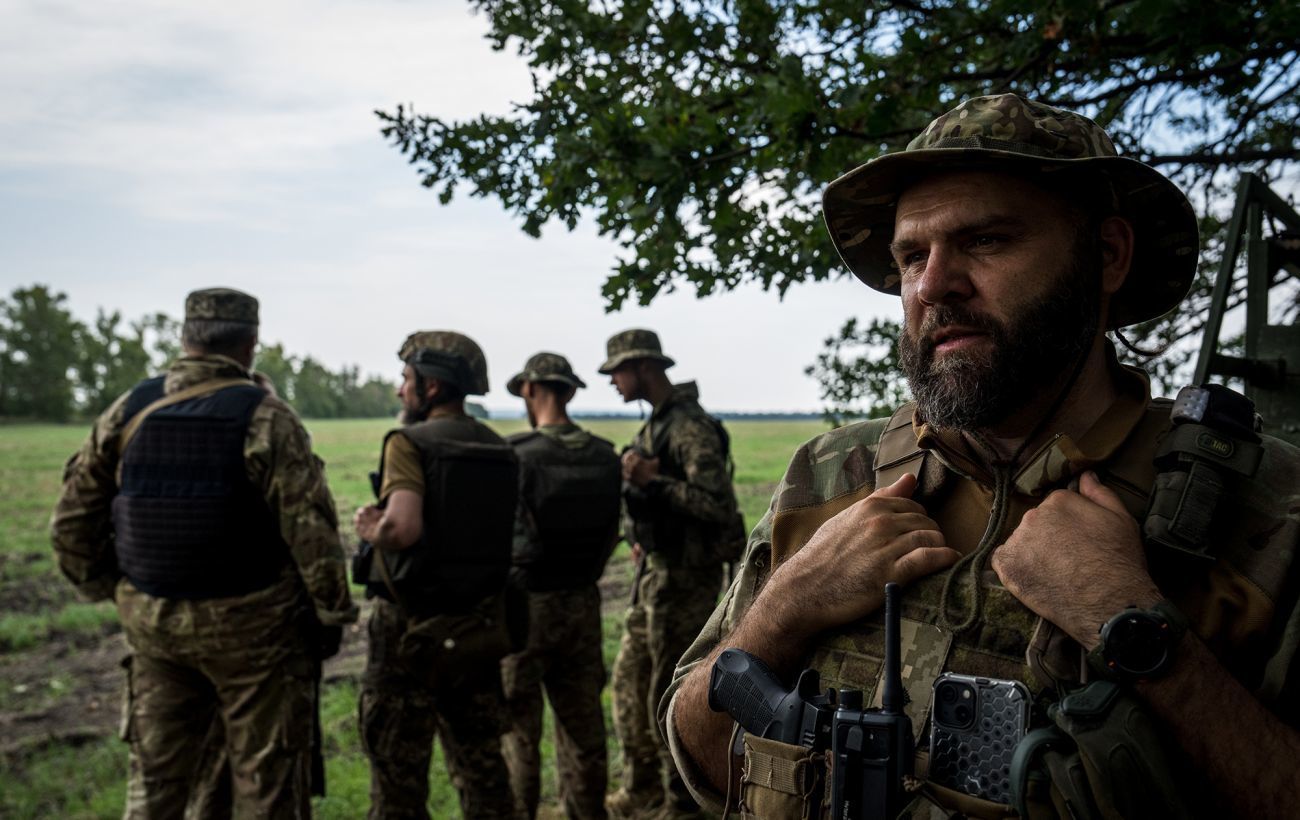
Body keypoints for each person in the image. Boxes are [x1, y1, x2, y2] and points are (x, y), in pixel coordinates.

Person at [663, 94, 1300, 819]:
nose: (933, 285)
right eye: (911, 256)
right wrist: (788, 606)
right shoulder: (832, 472)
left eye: (988, 240)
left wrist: (1136, 628)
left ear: (1108, 255)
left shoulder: (1269, 507)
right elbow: (698, 757)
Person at [50, 287, 358, 819]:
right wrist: (330, 617)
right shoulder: (267, 416)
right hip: (254, 633)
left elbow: (71, 523)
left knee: (155, 786)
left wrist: (119, 590)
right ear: (250, 343)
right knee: (264, 787)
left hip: (154, 627)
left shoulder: (128, 409)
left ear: (186, 337)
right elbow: (312, 534)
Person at [352, 330, 519, 820]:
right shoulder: (499, 447)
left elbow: (402, 528)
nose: (401, 389)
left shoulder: (407, 442)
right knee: (483, 770)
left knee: (398, 774)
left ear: (432, 387)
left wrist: (371, 528)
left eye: (408, 379)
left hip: (410, 631)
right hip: (476, 629)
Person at [600, 329, 742, 820]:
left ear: (642, 368)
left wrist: (652, 482)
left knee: (668, 695)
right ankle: (643, 792)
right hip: (656, 579)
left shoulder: (687, 427)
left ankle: (682, 805)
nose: (613, 381)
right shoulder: (655, 425)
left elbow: (716, 505)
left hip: (685, 580)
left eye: (617, 371)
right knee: (630, 686)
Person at [500, 352, 622, 819]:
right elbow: (612, 531)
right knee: (584, 733)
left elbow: (506, 538)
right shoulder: (605, 457)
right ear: (569, 391)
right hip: (582, 606)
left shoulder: (516, 455)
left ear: (531, 390)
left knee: (518, 735)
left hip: (525, 609)